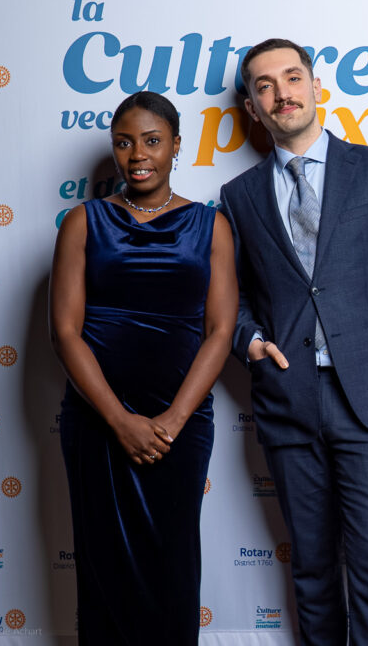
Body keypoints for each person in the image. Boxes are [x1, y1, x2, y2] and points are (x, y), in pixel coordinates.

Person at [219, 38, 368, 645]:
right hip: (288, 403)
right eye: (265, 85)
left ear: (316, 87)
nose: (282, 92)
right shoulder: (238, 197)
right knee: (313, 576)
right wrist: (252, 342)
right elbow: (231, 298)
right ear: (252, 107)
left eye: (292, 77)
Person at [50, 91, 237, 645]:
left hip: (180, 426)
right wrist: (120, 420)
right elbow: (64, 332)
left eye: (152, 141)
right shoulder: (84, 222)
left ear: (177, 146)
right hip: (96, 422)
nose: (138, 155)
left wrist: (173, 421)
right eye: (124, 142)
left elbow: (221, 331)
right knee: (103, 565)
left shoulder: (211, 226)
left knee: (172, 567)